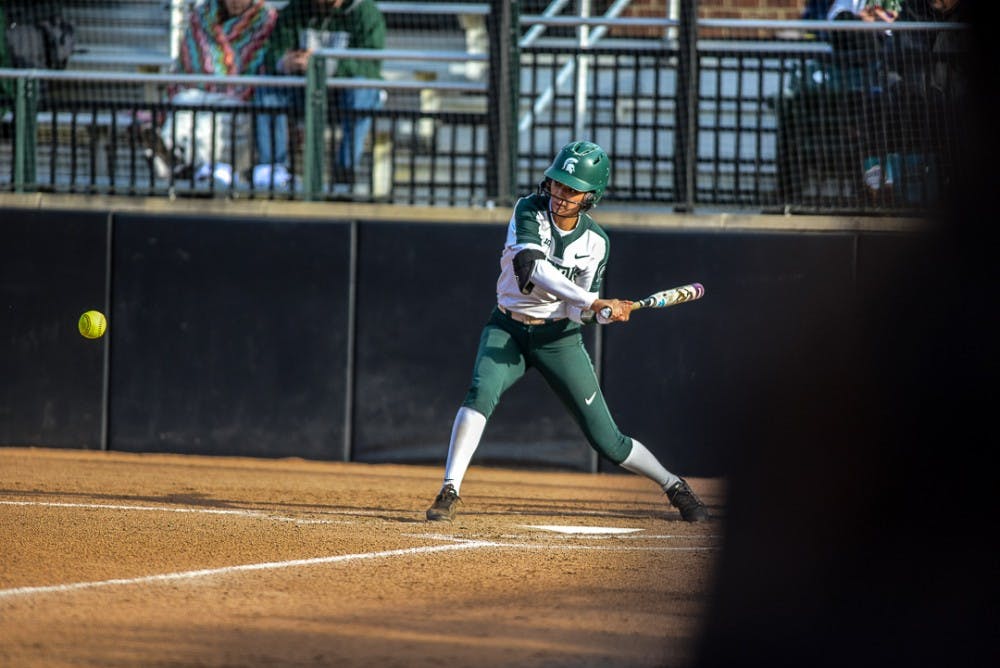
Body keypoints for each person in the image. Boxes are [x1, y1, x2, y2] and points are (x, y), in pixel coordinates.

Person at [424, 140, 710, 524]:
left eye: (571, 190)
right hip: (507, 327)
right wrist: (594, 302)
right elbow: (532, 268)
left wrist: (602, 314)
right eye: (557, 184)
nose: (560, 195)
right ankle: (450, 489)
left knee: (607, 440)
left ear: (590, 197)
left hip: (558, 338)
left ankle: (674, 485)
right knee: (480, 393)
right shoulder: (528, 210)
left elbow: (580, 312)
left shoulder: (597, 243)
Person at [255, 0, 385, 192]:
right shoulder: (296, 9)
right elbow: (273, 52)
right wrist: (286, 61)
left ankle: (345, 173)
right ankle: (273, 171)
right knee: (268, 88)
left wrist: (323, 64)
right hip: (304, 93)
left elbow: (370, 68)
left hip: (343, 96)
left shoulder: (366, 14)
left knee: (363, 93)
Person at [153, 0, 277, 187]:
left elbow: (257, 59)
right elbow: (192, 53)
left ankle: (189, 164)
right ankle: (169, 149)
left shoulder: (265, 18)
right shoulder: (202, 15)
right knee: (182, 104)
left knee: (208, 121)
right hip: (198, 85)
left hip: (238, 90)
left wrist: (223, 79)